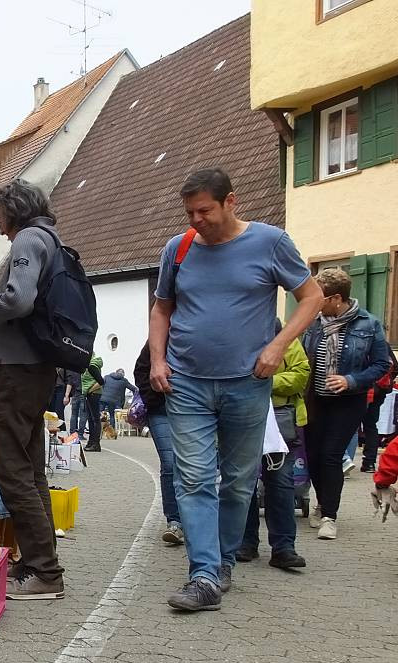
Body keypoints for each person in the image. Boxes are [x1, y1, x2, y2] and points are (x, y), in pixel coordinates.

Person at [149, 167, 322, 611]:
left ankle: (223, 562)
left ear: (231, 201)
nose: (196, 221)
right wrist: (157, 359)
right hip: (186, 382)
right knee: (194, 478)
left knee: (239, 482)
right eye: (189, 212)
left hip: (248, 383)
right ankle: (204, 573)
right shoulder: (179, 248)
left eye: (203, 210)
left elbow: (313, 297)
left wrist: (278, 346)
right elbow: (162, 309)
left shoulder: (270, 243)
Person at [0, 179, 64, 600]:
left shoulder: (28, 241)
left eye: (0, 218)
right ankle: (41, 564)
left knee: (12, 471)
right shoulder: (51, 239)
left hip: (15, 369)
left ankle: (44, 572)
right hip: (36, 368)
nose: (0, 228)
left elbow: (18, 301)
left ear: (15, 211)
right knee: (32, 469)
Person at [301, 267, 390, 539]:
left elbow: (381, 364)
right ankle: (321, 503)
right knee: (313, 457)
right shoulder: (313, 322)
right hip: (315, 400)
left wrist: (351, 380)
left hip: (348, 402)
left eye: (321, 298)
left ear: (337, 298)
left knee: (330, 455)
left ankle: (330, 516)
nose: (316, 302)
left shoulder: (368, 324)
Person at [236, 327, 310, 569]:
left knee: (280, 482)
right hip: (242, 418)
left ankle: (284, 548)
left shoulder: (287, 337)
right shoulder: (236, 336)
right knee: (242, 483)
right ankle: (245, 543)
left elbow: (301, 374)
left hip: (281, 421)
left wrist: (264, 381)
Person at [134, 342, 184, 545]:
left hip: (193, 411)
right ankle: (175, 521)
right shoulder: (158, 339)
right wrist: (153, 399)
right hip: (161, 411)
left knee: (196, 465)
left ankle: (197, 521)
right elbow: (140, 370)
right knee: (170, 464)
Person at [99, 368, 137, 434]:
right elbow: (134, 389)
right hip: (113, 401)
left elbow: (101, 386)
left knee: (100, 414)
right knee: (111, 415)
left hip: (103, 398)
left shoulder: (107, 377)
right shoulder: (124, 380)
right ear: (123, 374)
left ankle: (98, 430)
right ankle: (111, 432)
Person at [81, 355, 104, 452]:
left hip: (93, 394)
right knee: (91, 419)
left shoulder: (91, 366)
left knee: (95, 419)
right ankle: (91, 442)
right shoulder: (89, 365)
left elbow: (101, 381)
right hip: (91, 394)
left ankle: (96, 444)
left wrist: (90, 390)